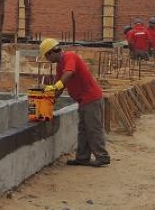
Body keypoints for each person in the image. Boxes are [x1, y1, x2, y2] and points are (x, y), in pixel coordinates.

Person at [39, 38, 109, 167]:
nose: (47, 60)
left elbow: (69, 73)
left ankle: (102, 157)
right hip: (83, 101)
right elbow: (59, 88)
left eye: (46, 57)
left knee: (93, 128)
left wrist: (56, 86)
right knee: (83, 130)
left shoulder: (69, 57)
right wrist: (48, 101)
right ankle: (83, 157)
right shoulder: (60, 66)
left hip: (91, 98)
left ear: (50, 53)